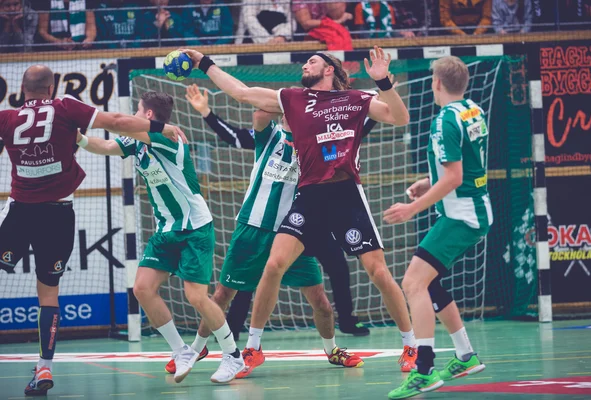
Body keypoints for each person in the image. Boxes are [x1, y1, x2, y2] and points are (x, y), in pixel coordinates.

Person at [180, 45, 418, 377]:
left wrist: (383, 83)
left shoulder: (354, 99)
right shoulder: (293, 99)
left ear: (329, 70)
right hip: (308, 196)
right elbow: (243, 93)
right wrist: (204, 63)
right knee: (274, 264)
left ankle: (411, 346)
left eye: (313, 60)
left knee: (377, 272)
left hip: (346, 193)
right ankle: (254, 347)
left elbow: (400, 117)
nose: (305, 64)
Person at [0, 65, 184, 396]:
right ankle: (44, 368)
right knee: (49, 296)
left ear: (20, 90)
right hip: (58, 215)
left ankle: (43, 367)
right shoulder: (65, 107)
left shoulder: (7, 118)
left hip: (20, 212)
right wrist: (160, 126)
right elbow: (117, 122)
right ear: (52, 87)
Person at [163, 85, 366, 377]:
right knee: (222, 295)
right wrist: (290, 105)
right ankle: (196, 348)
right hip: (252, 228)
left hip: (293, 233)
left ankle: (332, 349)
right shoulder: (271, 135)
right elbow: (259, 113)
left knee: (320, 301)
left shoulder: (315, 144)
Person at [75, 91, 245, 384]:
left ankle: (233, 356)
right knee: (142, 288)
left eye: (138, 110)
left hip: (194, 228)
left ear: (149, 115)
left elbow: (119, 125)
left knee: (196, 297)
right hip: (166, 229)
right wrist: (78, 138)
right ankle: (180, 351)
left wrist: (77, 114)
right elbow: (104, 145)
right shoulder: (139, 143)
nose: (134, 115)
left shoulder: (169, 139)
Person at [384, 56, 491, 399]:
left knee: (413, 283)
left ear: (436, 84)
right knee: (429, 283)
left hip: (461, 216)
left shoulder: (444, 120)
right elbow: (464, 166)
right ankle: (464, 355)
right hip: (473, 209)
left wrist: (413, 207)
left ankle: (424, 371)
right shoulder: (472, 109)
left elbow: (456, 177)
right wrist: (427, 180)